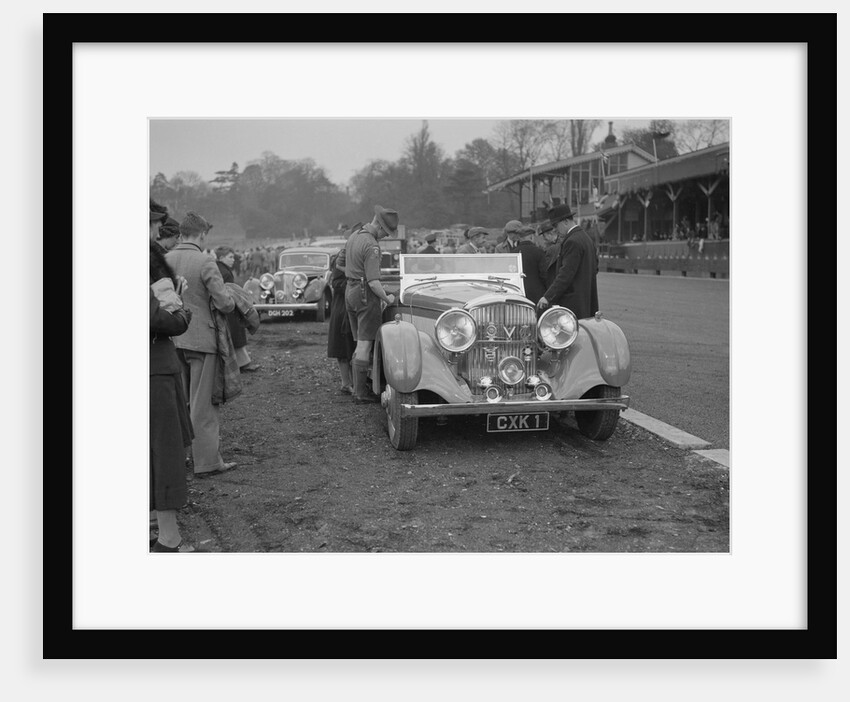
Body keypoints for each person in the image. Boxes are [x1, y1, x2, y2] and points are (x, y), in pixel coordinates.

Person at [166, 212, 238, 478]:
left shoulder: (165, 259)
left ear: (181, 233)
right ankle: (207, 462)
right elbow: (224, 303)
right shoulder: (206, 261)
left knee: (181, 402)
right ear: (203, 234)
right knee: (203, 405)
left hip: (173, 339)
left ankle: (182, 457)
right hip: (202, 341)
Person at [149, 203, 200, 552]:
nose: (158, 232)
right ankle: (169, 539)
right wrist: (181, 309)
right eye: (154, 224)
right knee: (165, 451)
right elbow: (158, 319)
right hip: (155, 367)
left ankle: (155, 524)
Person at [344, 206, 398, 404]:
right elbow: (374, 282)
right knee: (365, 344)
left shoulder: (355, 236)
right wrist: (387, 298)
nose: (386, 236)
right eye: (386, 232)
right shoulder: (371, 244)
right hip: (365, 293)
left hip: (350, 291)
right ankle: (360, 393)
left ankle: (357, 387)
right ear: (380, 226)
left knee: (359, 341)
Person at [537, 204, 599, 320]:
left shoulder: (572, 241)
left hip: (573, 304)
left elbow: (566, 274)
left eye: (556, 225)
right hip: (587, 300)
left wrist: (548, 297)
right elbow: (595, 268)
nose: (555, 230)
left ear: (565, 221)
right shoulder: (586, 238)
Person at [327, 226, 360, 395]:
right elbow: (335, 283)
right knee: (344, 347)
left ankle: (354, 382)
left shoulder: (356, 255)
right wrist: (353, 283)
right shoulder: (341, 257)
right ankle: (346, 383)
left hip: (354, 306)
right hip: (342, 308)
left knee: (354, 346)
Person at [216, 246, 260, 372]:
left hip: (223, 307)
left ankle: (243, 362)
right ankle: (242, 364)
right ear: (221, 258)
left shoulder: (219, 269)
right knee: (235, 335)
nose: (233, 260)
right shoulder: (225, 273)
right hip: (228, 308)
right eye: (230, 257)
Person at [512, 224, 547, 304]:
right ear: (532, 237)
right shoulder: (538, 252)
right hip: (537, 293)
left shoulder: (513, 253)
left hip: (518, 293)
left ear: (520, 238)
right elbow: (544, 274)